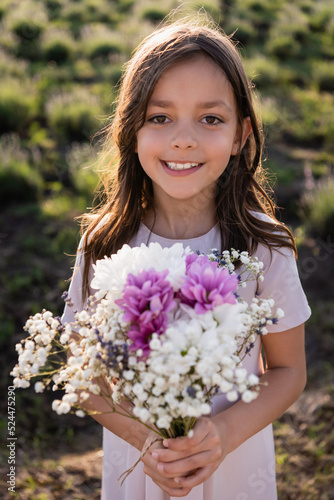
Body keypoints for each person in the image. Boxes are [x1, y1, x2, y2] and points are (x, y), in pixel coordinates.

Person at [61, 14, 311, 500]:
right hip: (142, 465)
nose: (183, 138)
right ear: (131, 130)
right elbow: (81, 371)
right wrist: (147, 441)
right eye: (160, 117)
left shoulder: (264, 246)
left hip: (233, 464)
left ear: (240, 135)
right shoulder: (105, 244)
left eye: (210, 119)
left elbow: (288, 371)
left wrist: (224, 434)